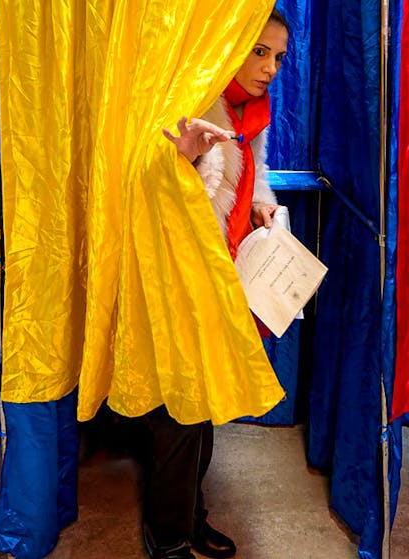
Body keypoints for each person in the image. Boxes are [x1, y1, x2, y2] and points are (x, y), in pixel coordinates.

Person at [141, 8, 289, 559]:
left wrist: (261, 209)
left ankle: (190, 517)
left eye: (277, 57)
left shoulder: (249, 115)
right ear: (226, 42)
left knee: (200, 414)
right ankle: (168, 536)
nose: (269, 67)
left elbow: (255, 179)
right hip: (181, 279)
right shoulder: (191, 103)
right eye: (259, 51)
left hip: (221, 279)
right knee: (178, 415)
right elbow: (160, 199)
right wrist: (183, 160)